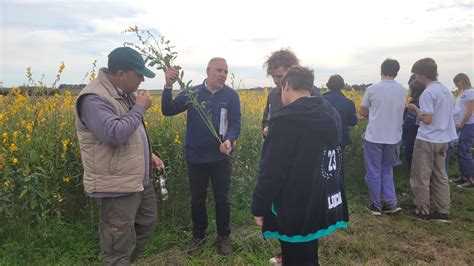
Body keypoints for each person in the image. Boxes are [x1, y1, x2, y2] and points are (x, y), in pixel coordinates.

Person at [75, 47, 164, 265]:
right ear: (121, 73)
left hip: (137, 180)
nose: (142, 79)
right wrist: (140, 108)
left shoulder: (123, 94)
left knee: (146, 223)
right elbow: (113, 134)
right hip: (116, 185)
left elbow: (131, 131)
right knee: (117, 244)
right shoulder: (93, 97)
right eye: (139, 74)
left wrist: (148, 154)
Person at [252, 66, 349, 266]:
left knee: (295, 254)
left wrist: (258, 206)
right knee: (307, 252)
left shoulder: (285, 119)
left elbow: (271, 171)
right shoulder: (329, 112)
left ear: (286, 85)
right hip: (320, 199)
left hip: (294, 205)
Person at [162, 57, 241, 255]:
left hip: (220, 159)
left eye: (225, 71)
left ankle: (224, 236)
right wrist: (168, 86)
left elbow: (235, 123)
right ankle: (198, 236)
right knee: (197, 200)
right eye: (219, 70)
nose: (223, 75)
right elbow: (168, 110)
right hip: (195, 157)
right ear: (208, 71)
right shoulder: (192, 93)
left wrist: (229, 140)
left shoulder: (231, 96)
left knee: (222, 199)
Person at [407, 58, 457, 222]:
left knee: (421, 175)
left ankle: (422, 210)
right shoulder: (446, 91)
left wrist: (415, 110)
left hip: (427, 139)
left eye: (416, 75)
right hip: (443, 139)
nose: (416, 78)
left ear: (421, 75)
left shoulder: (428, 93)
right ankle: (443, 210)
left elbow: (427, 119)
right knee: (440, 175)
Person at [359, 58, 407, 216]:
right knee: (387, 170)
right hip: (394, 137)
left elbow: (364, 110)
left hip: (374, 136)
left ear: (381, 71)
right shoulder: (403, 90)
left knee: (373, 170)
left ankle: (376, 205)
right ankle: (391, 203)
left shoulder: (373, 89)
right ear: (396, 72)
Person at [262, 49, 320, 138]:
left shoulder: (311, 92)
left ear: (292, 72)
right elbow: (267, 119)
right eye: (273, 76)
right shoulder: (273, 95)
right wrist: (266, 128)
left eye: (279, 76)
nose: (275, 81)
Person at [323, 74, 358, 148]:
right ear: (342, 85)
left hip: (323, 139)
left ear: (328, 85)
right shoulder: (349, 102)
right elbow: (353, 122)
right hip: (341, 139)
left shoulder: (320, 100)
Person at [452, 73, 474, 188]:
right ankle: (464, 176)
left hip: (468, 124)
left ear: (462, 80)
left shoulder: (470, 92)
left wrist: (461, 124)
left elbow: (469, 111)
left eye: (456, 83)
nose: (456, 86)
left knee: (464, 150)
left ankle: (471, 179)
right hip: (462, 124)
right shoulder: (462, 93)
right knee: (460, 149)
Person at [402, 75, 426, 170]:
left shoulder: (414, 104)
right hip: (420, 137)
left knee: (412, 158)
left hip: (412, 137)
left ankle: (414, 179)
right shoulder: (423, 101)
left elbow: (409, 123)